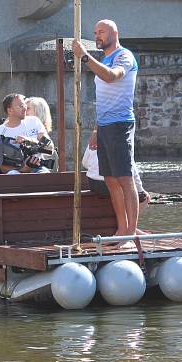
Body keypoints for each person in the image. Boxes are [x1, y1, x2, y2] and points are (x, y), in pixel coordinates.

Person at [72, 19, 140, 248]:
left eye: (101, 32)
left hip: (121, 124)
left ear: (114, 32)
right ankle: (122, 228)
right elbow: (103, 97)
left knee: (125, 179)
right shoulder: (103, 59)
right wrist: (96, 130)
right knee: (110, 179)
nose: (97, 36)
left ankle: (131, 234)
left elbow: (111, 76)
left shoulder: (124, 56)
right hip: (105, 126)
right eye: (95, 33)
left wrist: (84, 57)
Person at [0, 93, 52, 174]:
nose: (25, 108)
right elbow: (2, 167)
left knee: (45, 174)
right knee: (13, 175)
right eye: (21, 106)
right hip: (15, 171)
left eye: (25, 105)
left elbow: (50, 148)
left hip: (38, 168)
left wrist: (30, 141)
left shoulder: (34, 122)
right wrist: (24, 169)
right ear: (10, 110)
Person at [82, 144, 150, 217]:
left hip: (94, 184)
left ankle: (121, 222)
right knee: (144, 197)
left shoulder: (94, 139)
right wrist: (140, 189)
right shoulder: (122, 140)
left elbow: (84, 163)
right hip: (111, 185)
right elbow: (132, 169)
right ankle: (128, 224)